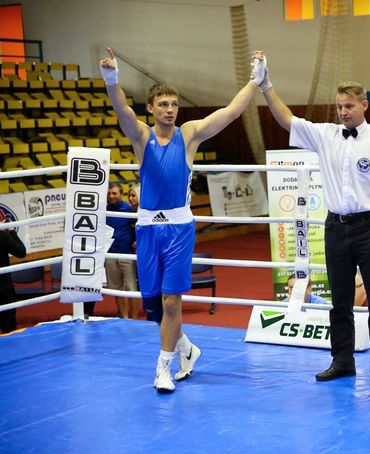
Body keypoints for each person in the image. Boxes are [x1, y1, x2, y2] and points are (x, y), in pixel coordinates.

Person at [100, 47, 266, 393]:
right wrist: (112, 79)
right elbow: (121, 110)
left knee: (172, 301)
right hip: (146, 228)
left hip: (178, 229)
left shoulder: (188, 134)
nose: (170, 109)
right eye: (163, 104)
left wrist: (256, 78)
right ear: (152, 108)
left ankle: (163, 368)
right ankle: (186, 348)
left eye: (174, 104)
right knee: (154, 306)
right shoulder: (142, 136)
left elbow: (232, 112)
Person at [259, 63, 370, 386]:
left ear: (364, 105)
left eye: (349, 106)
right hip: (335, 226)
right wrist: (266, 85)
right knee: (339, 299)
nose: (343, 112)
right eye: (339, 106)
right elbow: (287, 119)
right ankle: (342, 361)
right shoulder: (325, 135)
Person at [105, 182, 138, 319]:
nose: (111, 196)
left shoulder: (129, 210)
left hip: (127, 254)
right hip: (110, 254)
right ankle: (124, 319)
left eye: (114, 193)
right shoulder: (103, 210)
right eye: (109, 193)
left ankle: (134, 320)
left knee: (132, 289)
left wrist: (137, 241)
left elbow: (138, 227)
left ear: (121, 194)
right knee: (117, 289)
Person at [0, 223, 27, 333]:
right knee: (8, 326)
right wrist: (12, 231)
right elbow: (21, 252)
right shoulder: (2, 236)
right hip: (3, 286)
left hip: (4, 285)